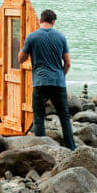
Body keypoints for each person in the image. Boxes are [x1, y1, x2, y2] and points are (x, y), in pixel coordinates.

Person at [19, 9, 75, 149]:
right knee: (64, 117)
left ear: (40, 20)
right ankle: (71, 147)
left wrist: (25, 50)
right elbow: (67, 63)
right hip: (58, 82)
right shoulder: (61, 37)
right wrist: (61, 75)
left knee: (38, 117)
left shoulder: (32, 37)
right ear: (53, 22)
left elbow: (21, 58)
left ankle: (41, 148)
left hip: (40, 82)